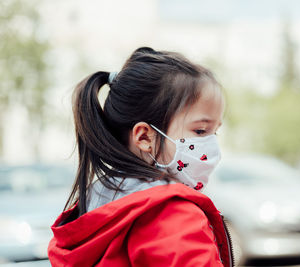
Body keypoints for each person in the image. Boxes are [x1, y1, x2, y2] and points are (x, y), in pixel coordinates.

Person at [47, 47, 234, 266]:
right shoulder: (172, 214)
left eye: (215, 131)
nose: (211, 144)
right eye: (200, 131)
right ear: (145, 137)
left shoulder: (96, 205)